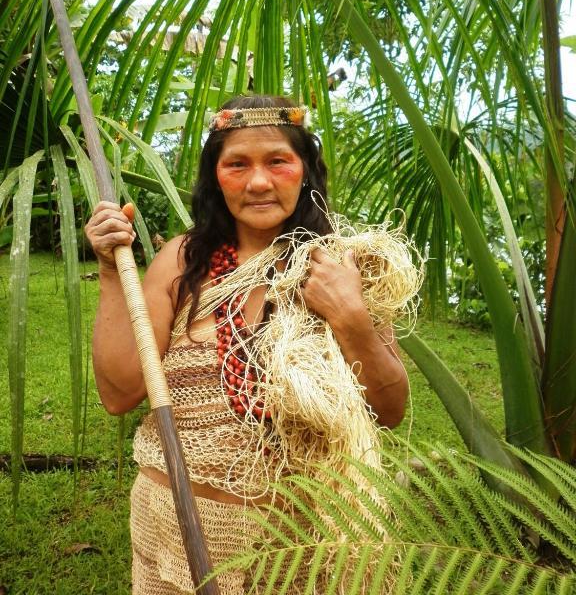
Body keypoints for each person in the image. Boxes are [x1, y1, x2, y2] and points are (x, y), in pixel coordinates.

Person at [86, 95, 408, 595]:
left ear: (306, 169)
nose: (258, 182)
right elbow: (118, 393)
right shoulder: (181, 262)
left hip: (299, 551)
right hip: (174, 530)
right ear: (216, 175)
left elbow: (389, 410)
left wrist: (351, 318)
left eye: (277, 161)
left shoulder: (346, 267)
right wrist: (111, 271)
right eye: (238, 164)